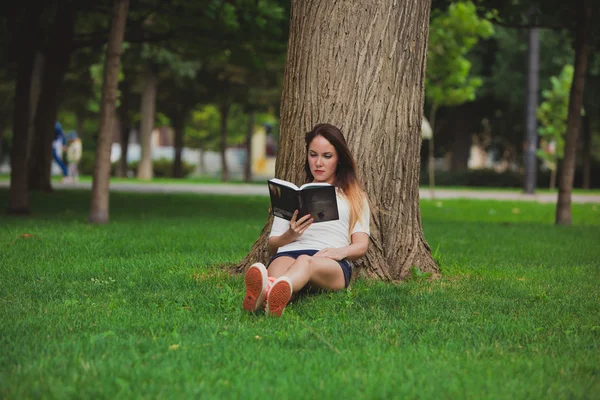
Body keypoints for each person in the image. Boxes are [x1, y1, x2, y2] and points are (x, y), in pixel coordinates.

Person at [243, 123, 370, 317]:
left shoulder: (353, 195)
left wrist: (339, 252)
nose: (318, 163)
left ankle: (265, 293)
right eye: (313, 155)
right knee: (279, 270)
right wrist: (291, 234)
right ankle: (271, 298)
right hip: (289, 252)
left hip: (328, 260)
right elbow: (272, 246)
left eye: (327, 156)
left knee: (304, 262)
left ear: (339, 159)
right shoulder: (293, 195)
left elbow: (361, 245)